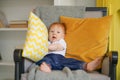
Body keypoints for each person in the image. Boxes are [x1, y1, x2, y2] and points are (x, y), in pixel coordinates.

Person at [36, 22, 102, 73]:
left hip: (60, 59)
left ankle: (86, 66)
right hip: (49, 58)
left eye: (58, 32)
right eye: (52, 31)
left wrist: (51, 47)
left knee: (71, 61)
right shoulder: (47, 42)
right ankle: (47, 67)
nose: (54, 34)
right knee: (44, 61)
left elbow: (58, 47)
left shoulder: (61, 41)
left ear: (63, 36)